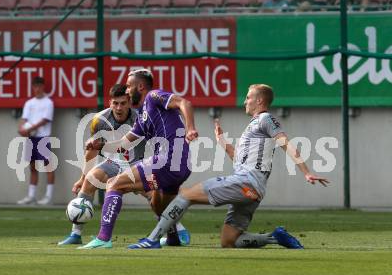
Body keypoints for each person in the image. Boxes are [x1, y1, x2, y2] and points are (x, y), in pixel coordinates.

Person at [128, 84, 329, 249]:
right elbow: (239, 160)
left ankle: (152, 239)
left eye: (249, 97)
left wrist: (306, 172)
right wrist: (222, 142)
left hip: (246, 183)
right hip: (252, 189)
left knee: (185, 196)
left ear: (259, 101)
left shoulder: (266, 119)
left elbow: (285, 141)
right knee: (229, 241)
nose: (245, 101)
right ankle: (275, 237)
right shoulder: (254, 126)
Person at [78, 68, 198, 249]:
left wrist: (190, 128)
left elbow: (185, 103)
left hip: (166, 159)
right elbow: (123, 145)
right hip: (181, 166)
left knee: (114, 184)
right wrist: (99, 146)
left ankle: (103, 238)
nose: (126, 90)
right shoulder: (142, 117)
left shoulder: (153, 96)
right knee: (158, 204)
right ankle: (173, 239)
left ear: (140, 86)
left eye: (128, 86)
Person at [17, 77, 55, 205]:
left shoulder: (48, 102)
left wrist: (31, 128)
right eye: (35, 86)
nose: (37, 89)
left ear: (43, 87)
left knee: (48, 166)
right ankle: (31, 196)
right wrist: (22, 129)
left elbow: (45, 120)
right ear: (32, 87)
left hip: (43, 137)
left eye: (39, 86)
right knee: (32, 167)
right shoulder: (29, 103)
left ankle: (49, 197)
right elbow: (24, 119)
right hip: (31, 138)